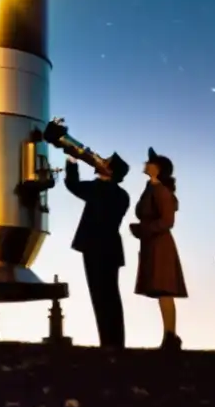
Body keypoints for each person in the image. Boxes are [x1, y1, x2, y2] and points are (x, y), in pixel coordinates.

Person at [63, 150, 131, 348]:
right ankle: (115, 341)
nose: (100, 160)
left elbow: (73, 185)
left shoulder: (100, 189)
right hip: (111, 250)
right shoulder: (121, 195)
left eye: (105, 162)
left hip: (94, 248)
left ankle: (108, 342)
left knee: (100, 296)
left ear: (109, 171)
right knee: (111, 296)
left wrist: (72, 161)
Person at [129, 147, 187, 350]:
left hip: (160, 245)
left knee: (165, 290)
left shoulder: (160, 190)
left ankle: (170, 336)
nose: (145, 163)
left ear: (157, 168)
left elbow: (167, 221)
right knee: (162, 291)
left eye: (149, 162)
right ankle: (169, 336)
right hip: (153, 244)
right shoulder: (152, 188)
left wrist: (143, 230)